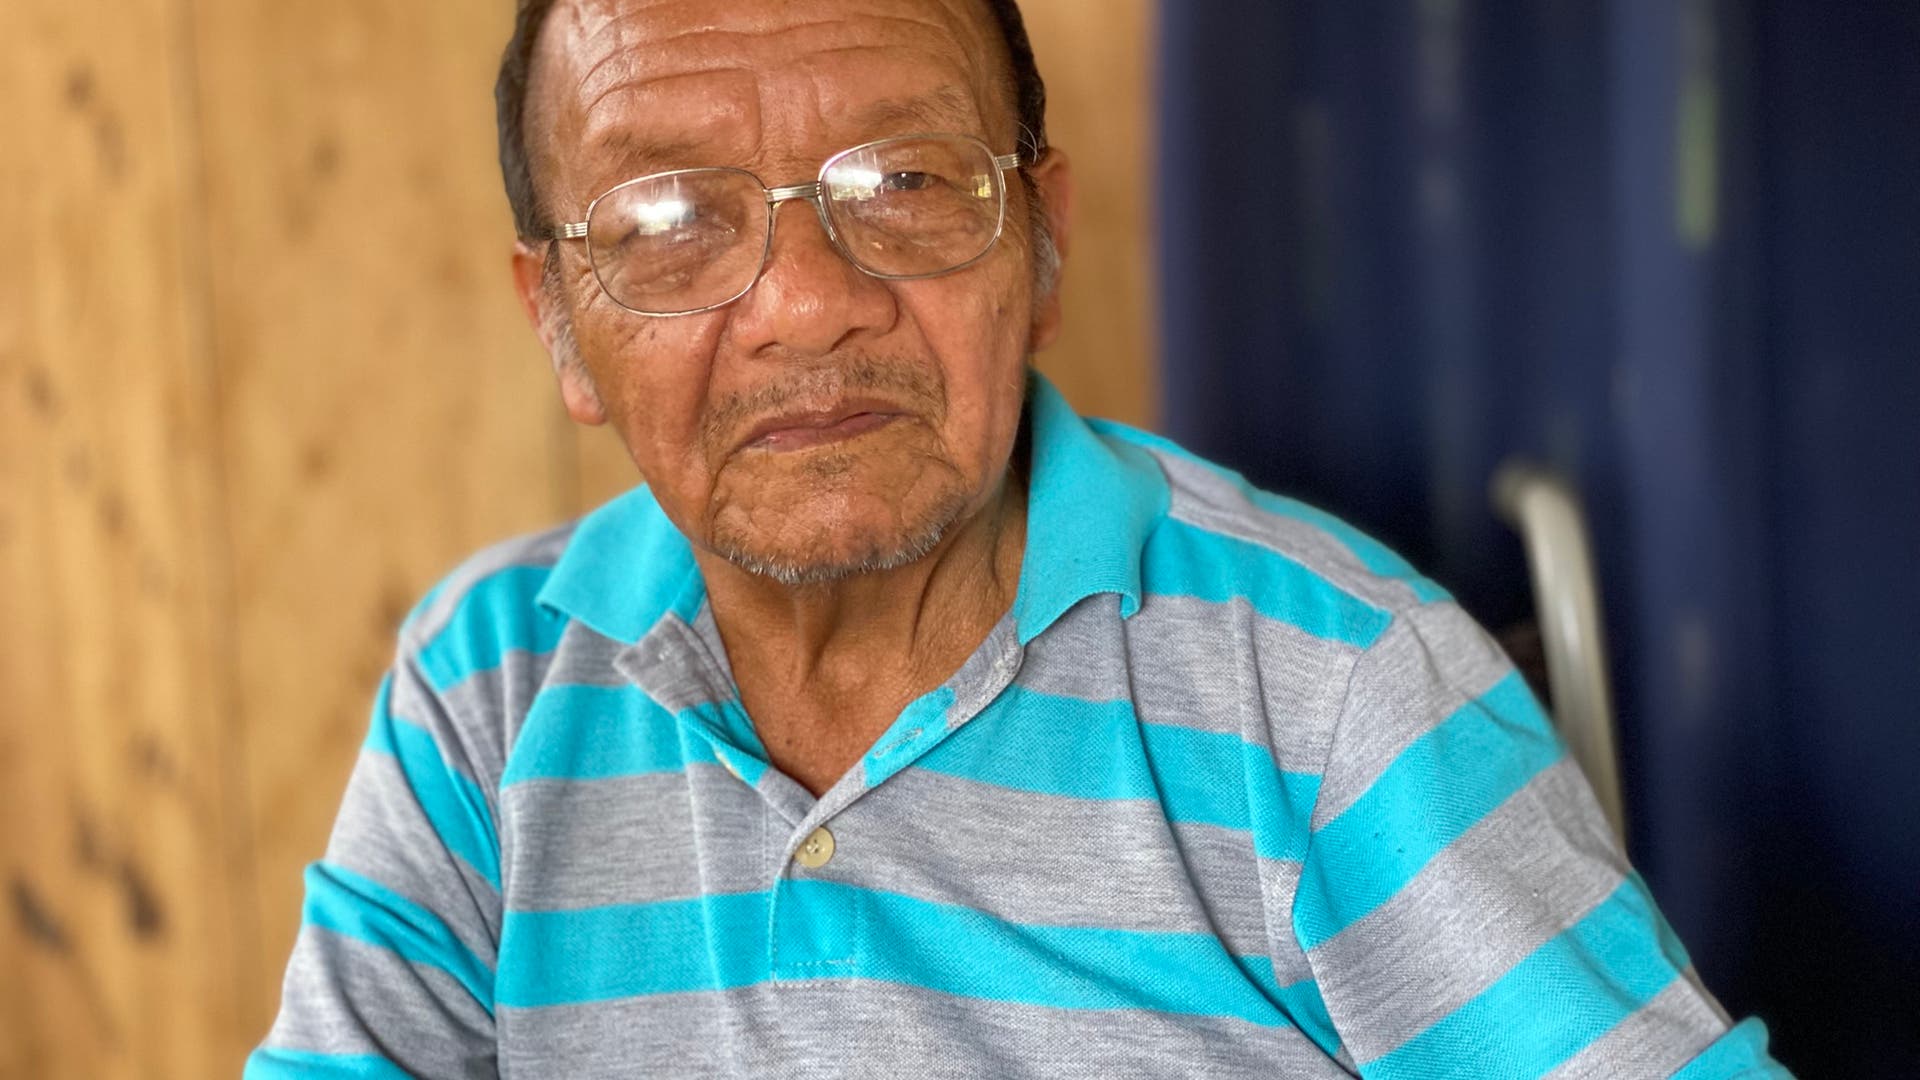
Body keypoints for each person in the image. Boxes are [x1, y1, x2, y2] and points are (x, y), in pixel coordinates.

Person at [246, 1, 1791, 1076]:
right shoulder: (491, 685)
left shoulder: (1335, 694)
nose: (804, 301)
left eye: (906, 183)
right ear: (563, 330)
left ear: (1041, 243)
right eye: (666, 222)